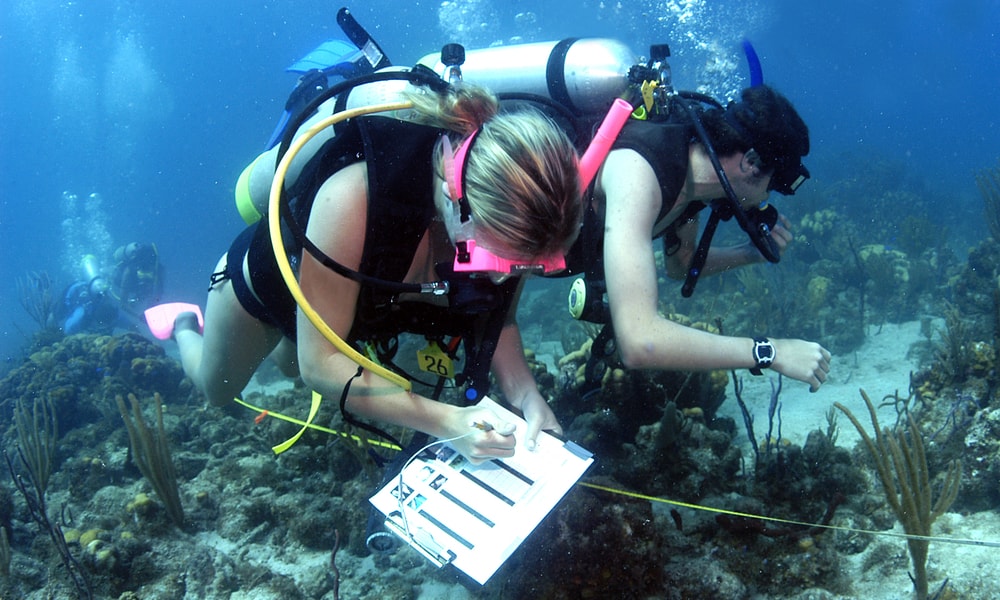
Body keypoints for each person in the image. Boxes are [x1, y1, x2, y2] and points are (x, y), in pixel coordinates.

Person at [158, 83, 583, 462]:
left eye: (520, 269)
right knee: (217, 388)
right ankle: (181, 323)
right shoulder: (352, 198)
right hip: (264, 291)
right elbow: (321, 365)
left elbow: (499, 317)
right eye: (492, 262)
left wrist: (527, 397)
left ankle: (293, 336)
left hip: (341, 310)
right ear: (458, 198)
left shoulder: (517, 221)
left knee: (289, 364)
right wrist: (449, 422)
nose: (501, 280)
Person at [564, 84, 831, 391]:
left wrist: (751, 252)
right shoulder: (639, 174)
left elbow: (682, 264)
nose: (767, 197)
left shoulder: (692, 186)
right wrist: (770, 352)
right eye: (775, 183)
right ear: (752, 163)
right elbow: (639, 341)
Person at [111, 242, 164, 317]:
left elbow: (158, 294)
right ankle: (106, 272)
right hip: (127, 284)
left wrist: (148, 312)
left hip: (136, 288)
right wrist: (139, 317)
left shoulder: (158, 269)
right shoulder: (129, 272)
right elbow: (123, 304)